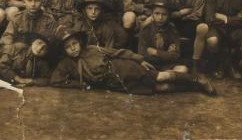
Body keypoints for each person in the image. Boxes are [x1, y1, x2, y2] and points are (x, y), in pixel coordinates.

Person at [51, 27, 215, 95]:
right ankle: (193, 87)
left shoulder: (93, 49)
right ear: (64, 51)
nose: (73, 48)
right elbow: (55, 81)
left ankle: (197, 79)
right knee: (161, 88)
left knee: (161, 77)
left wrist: (140, 60)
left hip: (125, 68)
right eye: (68, 47)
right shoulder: (66, 64)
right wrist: (80, 85)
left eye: (74, 44)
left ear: (80, 42)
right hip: (116, 84)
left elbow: (119, 52)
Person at [164, 0, 209, 72]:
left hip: (189, 23)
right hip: (170, 21)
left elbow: (197, 13)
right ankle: (165, 60)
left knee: (202, 27)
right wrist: (182, 13)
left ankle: (195, 62)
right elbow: (164, 10)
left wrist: (183, 17)